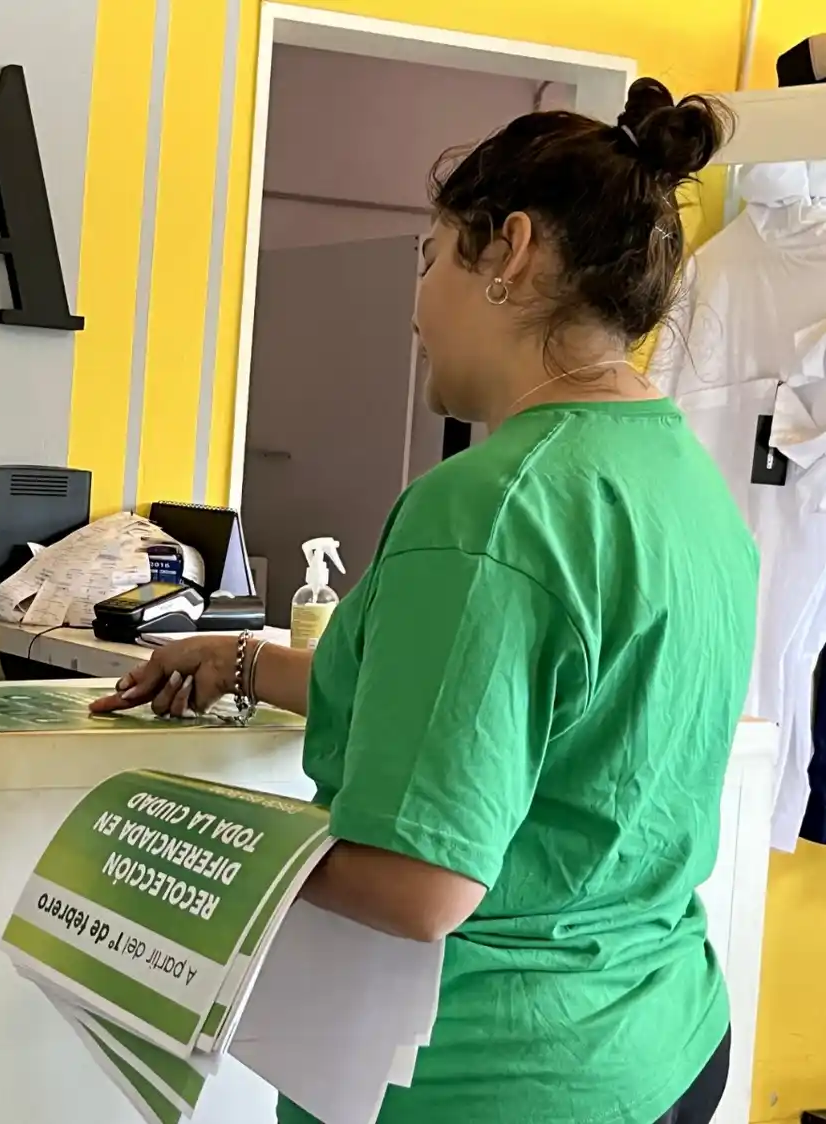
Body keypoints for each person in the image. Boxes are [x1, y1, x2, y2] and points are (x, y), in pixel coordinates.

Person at [96, 78, 756, 1124]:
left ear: (511, 251)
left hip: (492, 1078)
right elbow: (491, 721)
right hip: (661, 1039)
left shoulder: (493, 507)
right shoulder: (684, 482)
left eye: (426, 256)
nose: (412, 308)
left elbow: (421, 882)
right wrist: (237, 662)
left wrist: (182, 832)